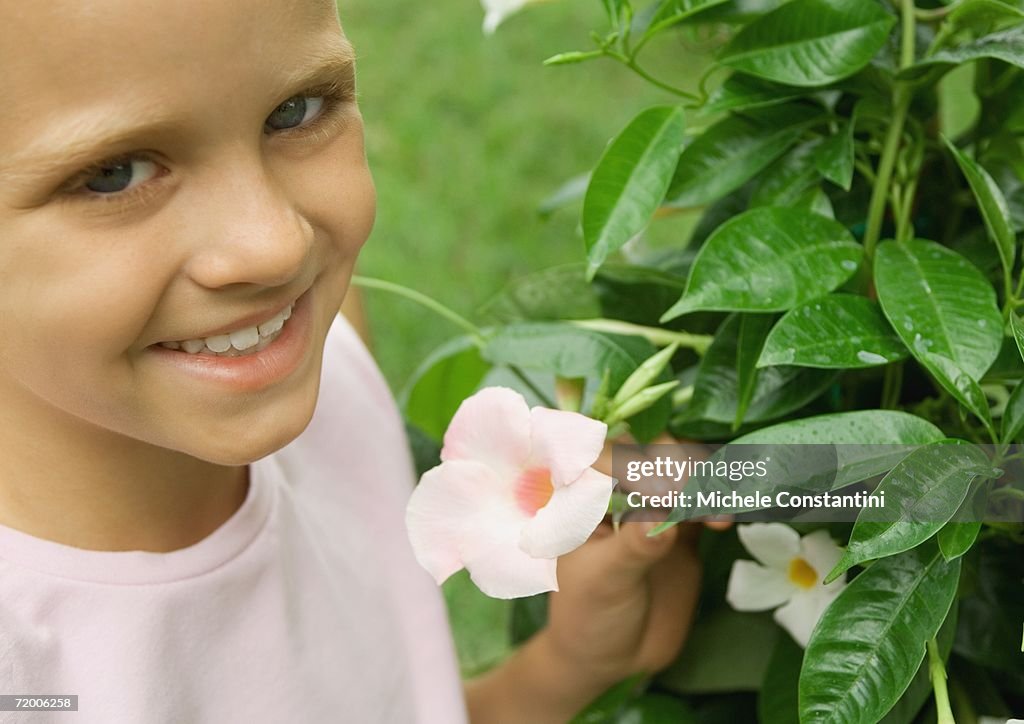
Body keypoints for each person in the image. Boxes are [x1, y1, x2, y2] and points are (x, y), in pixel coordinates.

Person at [0, 1, 708, 721]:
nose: (275, 244)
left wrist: (564, 669)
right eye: (115, 175)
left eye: (294, 112)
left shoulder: (319, 361)